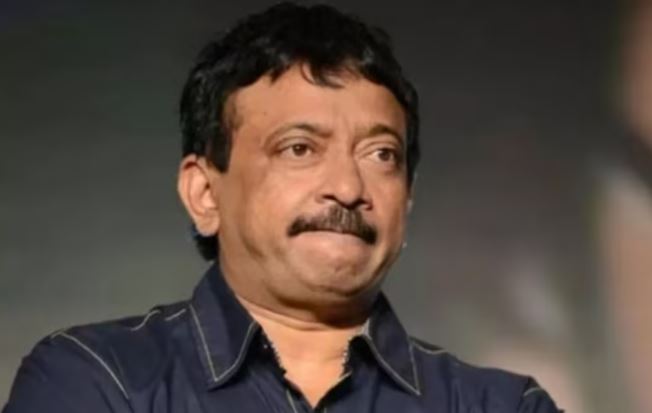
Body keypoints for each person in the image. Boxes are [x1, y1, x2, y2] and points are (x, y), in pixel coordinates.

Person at [3, 3, 561, 412]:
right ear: (204, 193)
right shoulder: (98, 381)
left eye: (381, 154)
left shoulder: (499, 406)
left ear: (408, 197)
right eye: (299, 148)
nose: (347, 187)